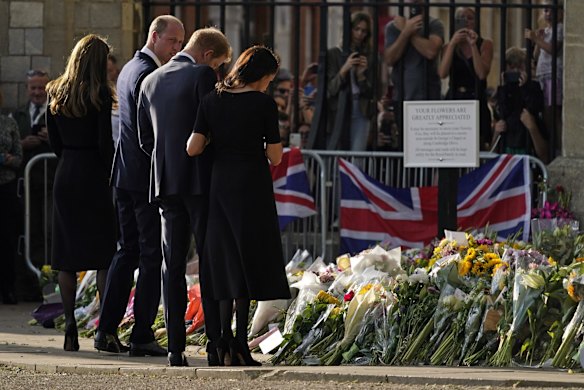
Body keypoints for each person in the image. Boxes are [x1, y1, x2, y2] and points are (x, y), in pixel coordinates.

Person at [186, 45, 291, 366]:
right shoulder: (262, 104)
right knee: (248, 259)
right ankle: (240, 345)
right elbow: (275, 156)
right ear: (262, 75)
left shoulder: (211, 99)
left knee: (223, 260)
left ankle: (220, 343)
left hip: (220, 184)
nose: (268, 85)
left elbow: (193, 147)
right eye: (269, 79)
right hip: (251, 185)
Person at [138, 27, 231, 367]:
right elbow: (212, 127)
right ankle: (213, 343)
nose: (218, 71)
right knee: (208, 263)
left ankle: (175, 348)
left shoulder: (150, 80)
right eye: (220, 63)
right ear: (208, 55)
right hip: (200, 181)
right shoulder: (202, 75)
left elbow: (144, 139)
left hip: (165, 182)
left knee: (171, 265)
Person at [94, 15, 184, 357]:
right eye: (173, 41)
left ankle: (105, 329)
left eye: (180, 42)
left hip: (126, 175)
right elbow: (152, 132)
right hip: (143, 178)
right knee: (149, 255)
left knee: (127, 251)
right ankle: (142, 332)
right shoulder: (148, 73)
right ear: (155, 36)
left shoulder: (130, 67)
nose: (177, 48)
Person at [45, 34, 117, 351]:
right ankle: (103, 327)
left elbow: (54, 143)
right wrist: (109, 172)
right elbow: (105, 143)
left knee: (66, 256)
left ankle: (70, 325)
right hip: (93, 173)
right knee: (102, 254)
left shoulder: (55, 91)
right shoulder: (100, 94)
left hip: (66, 171)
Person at [11, 69, 55, 292]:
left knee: (49, 229)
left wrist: (52, 138)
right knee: (31, 230)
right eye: (33, 88)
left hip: (49, 181)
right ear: (27, 89)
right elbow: (10, 144)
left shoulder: (56, 112)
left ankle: (48, 281)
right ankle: (29, 281)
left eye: (42, 87)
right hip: (26, 185)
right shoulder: (18, 115)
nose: (38, 92)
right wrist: (23, 143)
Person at [438, 7, 493, 150]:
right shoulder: (448, 47)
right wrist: (452, 44)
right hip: (455, 99)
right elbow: (442, 73)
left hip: (476, 98)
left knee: (477, 145)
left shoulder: (485, 44)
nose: (467, 21)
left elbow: (481, 73)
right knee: (454, 146)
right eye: (462, 18)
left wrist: (473, 45)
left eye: (470, 18)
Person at [384, 0, 444, 125]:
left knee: (427, 141)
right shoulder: (393, 26)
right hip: (401, 95)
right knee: (403, 141)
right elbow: (389, 59)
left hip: (429, 96)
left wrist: (407, 31)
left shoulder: (434, 24)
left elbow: (431, 52)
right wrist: (405, 32)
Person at [327, 11, 374, 151]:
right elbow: (330, 89)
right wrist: (344, 69)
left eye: (364, 31)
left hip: (361, 111)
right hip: (339, 110)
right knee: (338, 155)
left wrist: (361, 76)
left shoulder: (370, 56)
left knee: (357, 156)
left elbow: (372, 92)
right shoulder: (334, 54)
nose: (360, 34)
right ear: (349, 30)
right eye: (357, 29)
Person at [492, 47, 548, 163]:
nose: (516, 71)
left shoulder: (534, 88)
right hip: (508, 144)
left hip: (527, 143)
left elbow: (545, 155)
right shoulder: (503, 91)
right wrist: (497, 132)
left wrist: (525, 87)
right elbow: (502, 112)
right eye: (511, 67)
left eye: (520, 67)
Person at [525, 0, 563, 154]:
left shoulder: (559, 29)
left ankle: (559, 147)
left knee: (553, 113)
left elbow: (553, 49)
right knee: (547, 114)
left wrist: (536, 39)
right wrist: (538, 40)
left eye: (551, 10)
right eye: (545, 10)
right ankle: (553, 144)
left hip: (552, 75)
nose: (548, 14)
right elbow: (536, 55)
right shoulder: (547, 30)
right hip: (542, 75)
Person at [0, 88, 23, 305]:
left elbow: (18, 158)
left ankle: (8, 288)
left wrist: (7, 159)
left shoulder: (9, 124)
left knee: (7, 240)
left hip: (6, 187)